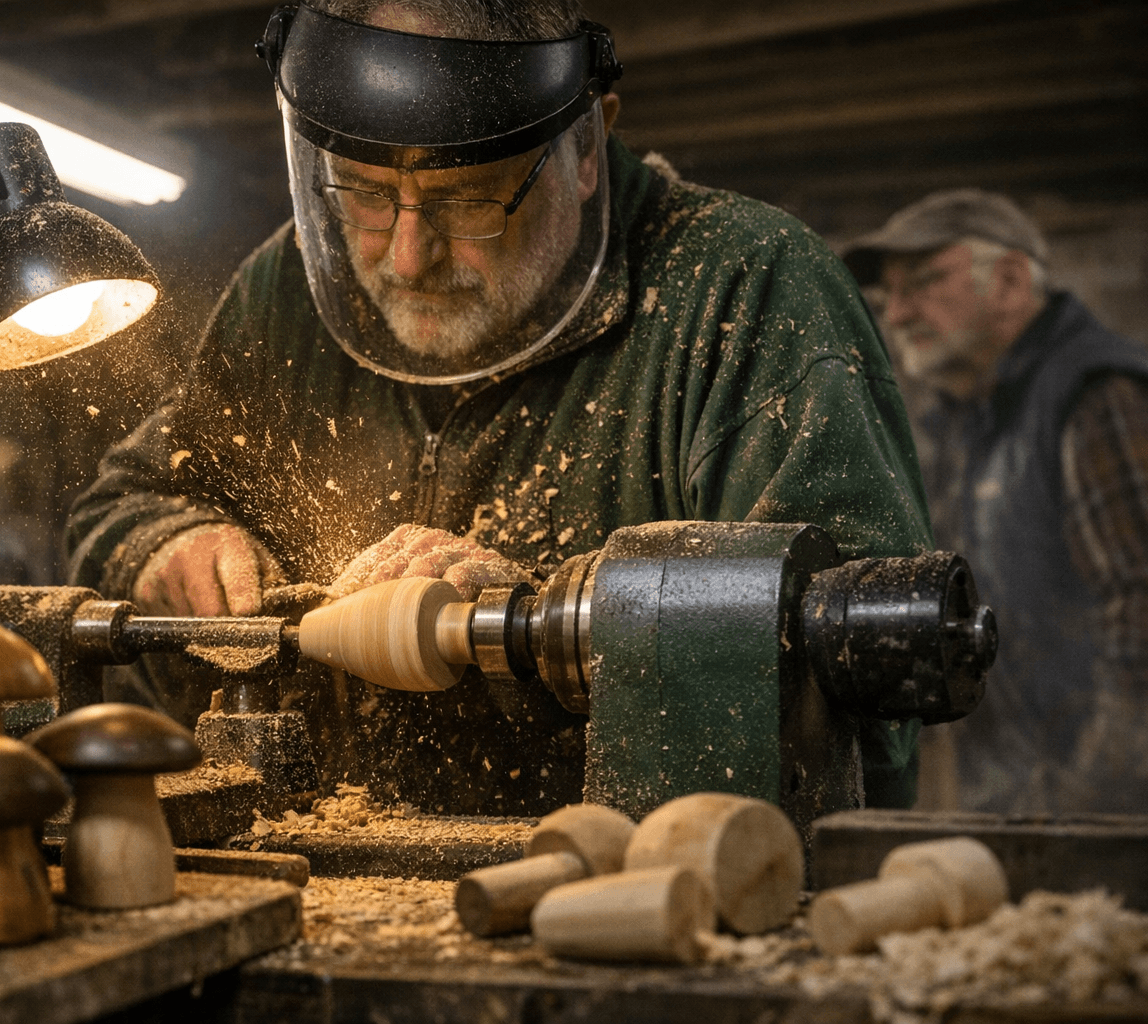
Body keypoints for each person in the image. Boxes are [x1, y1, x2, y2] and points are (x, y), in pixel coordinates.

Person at [67, 0, 935, 815]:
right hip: (326, 873)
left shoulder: (744, 291)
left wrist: (552, 637)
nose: (407, 257)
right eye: (365, 193)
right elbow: (123, 502)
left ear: (586, 149)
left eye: (468, 198)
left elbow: (864, 687)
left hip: (624, 891)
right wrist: (167, 546)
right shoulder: (284, 291)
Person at [843, 189, 1148, 813]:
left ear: (1009, 280)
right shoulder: (973, 419)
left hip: (1112, 809)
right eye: (886, 298)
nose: (896, 315)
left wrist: (1097, 798)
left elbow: (1139, 604)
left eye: (923, 282)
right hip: (1039, 798)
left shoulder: (1096, 395)